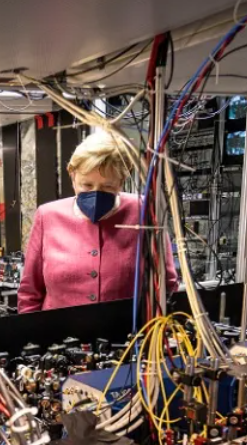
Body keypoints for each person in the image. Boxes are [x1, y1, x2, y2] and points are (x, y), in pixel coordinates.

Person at [18, 130, 177, 313]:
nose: (96, 193)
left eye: (107, 186)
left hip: (128, 330)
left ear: (121, 181)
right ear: (73, 176)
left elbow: (167, 285)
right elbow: (29, 293)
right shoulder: (47, 216)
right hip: (58, 330)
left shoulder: (144, 211)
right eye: (87, 185)